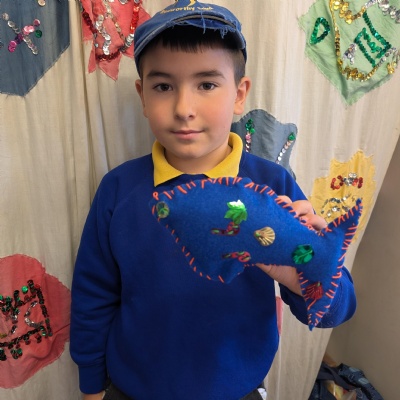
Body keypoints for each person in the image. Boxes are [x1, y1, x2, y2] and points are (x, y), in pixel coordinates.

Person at [70, 1, 356, 399]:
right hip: (131, 388)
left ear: (239, 95)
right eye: (163, 86)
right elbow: (93, 293)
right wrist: (91, 384)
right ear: (142, 96)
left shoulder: (273, 185)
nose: (184, 109)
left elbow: (337, 310)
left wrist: (305, 273)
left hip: (237, 389)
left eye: (206, 84)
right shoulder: (118, 190)